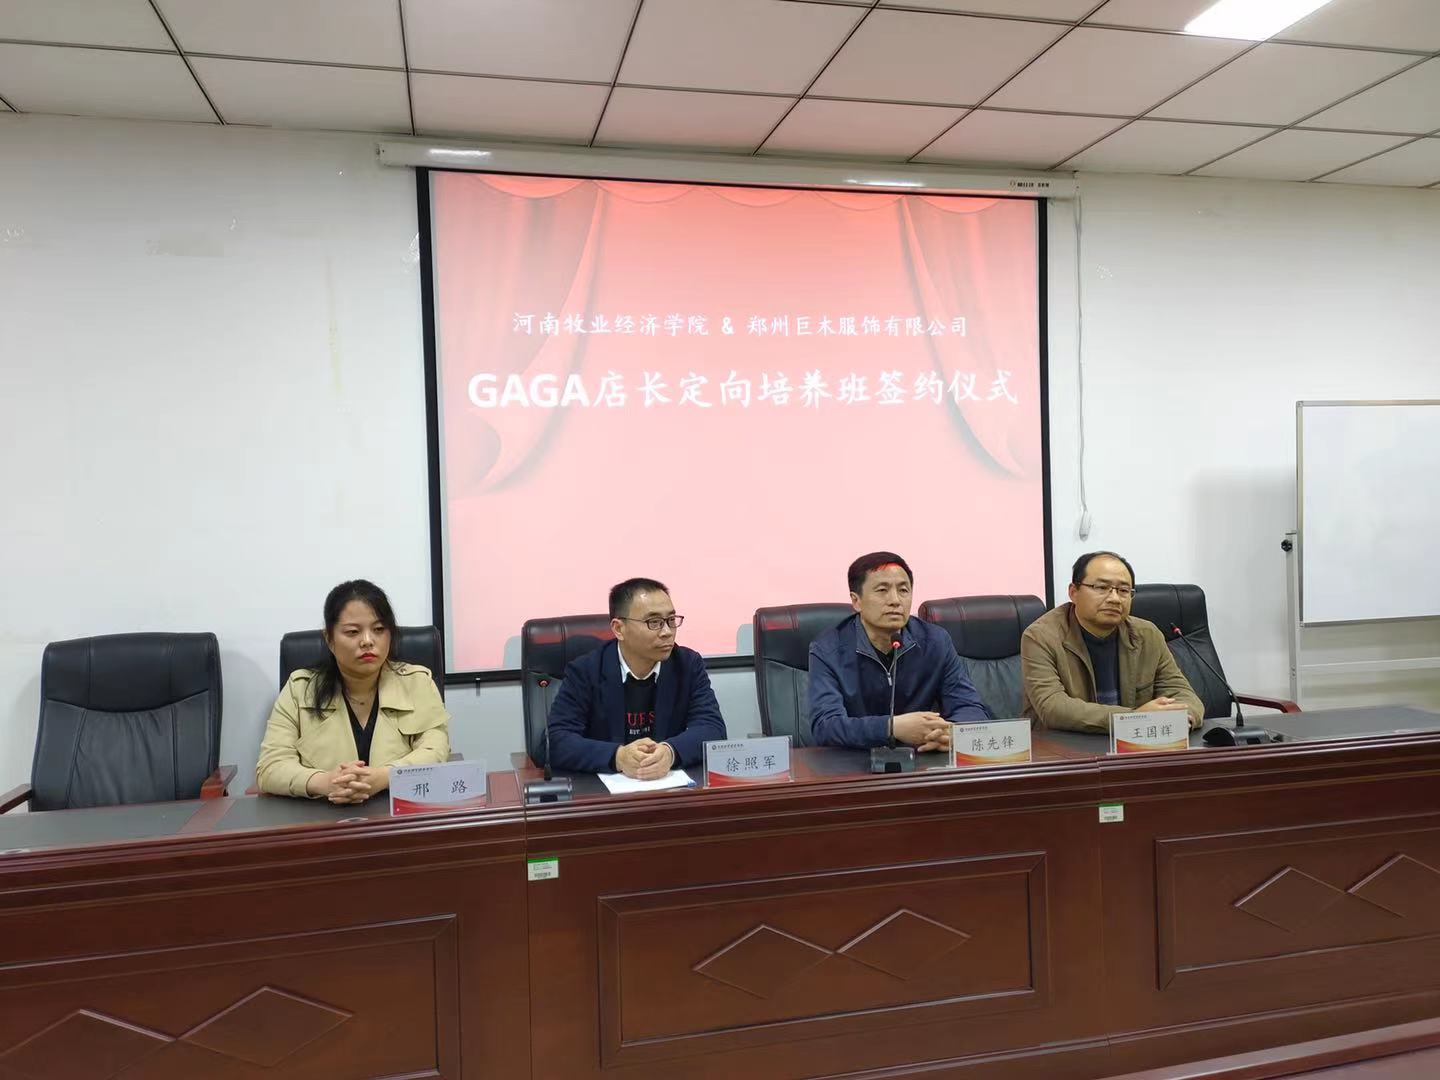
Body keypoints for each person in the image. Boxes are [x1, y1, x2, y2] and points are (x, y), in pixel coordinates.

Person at [257, 580, 450, 801]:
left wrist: (385, 776)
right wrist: (325, 783)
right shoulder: (299, 689)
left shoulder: (417, 682)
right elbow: (271, 766)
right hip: (322, 814)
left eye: (379, 629)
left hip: (399, 812)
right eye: (352, 632)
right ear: (329, 639)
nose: (367, 641)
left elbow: (435, 750)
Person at [808, 552, 990, 750]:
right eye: (882, 590)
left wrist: (951, 734)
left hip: (923, 758)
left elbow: (970, 708)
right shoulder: (828, 649)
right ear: (856, 601)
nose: (895, 600)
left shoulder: (935, 641)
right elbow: (826, 727)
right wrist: (891, 728)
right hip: (855, 761)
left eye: (903, 590)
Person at [545, 577, 726, 777]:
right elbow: (555, 740)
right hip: (605, 790)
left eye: (671, 620)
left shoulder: (687, 664)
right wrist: (618, 757)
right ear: (618, 629)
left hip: (669, 787)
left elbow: (713, 728)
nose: (667, 632)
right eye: (654, 622)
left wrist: (670, 752)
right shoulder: (586, 671)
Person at [1021, 551, 1203, 732]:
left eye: (1123, 591)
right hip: (1063, 744)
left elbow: (1182, 693)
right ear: (1073, 592)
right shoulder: (1041, 637)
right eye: (1101, 587)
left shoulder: (1147, 635)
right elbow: (1053, 707)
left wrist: (1184, 718)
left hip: (1132, 743)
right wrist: (1135, 718)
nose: (1115, 599)